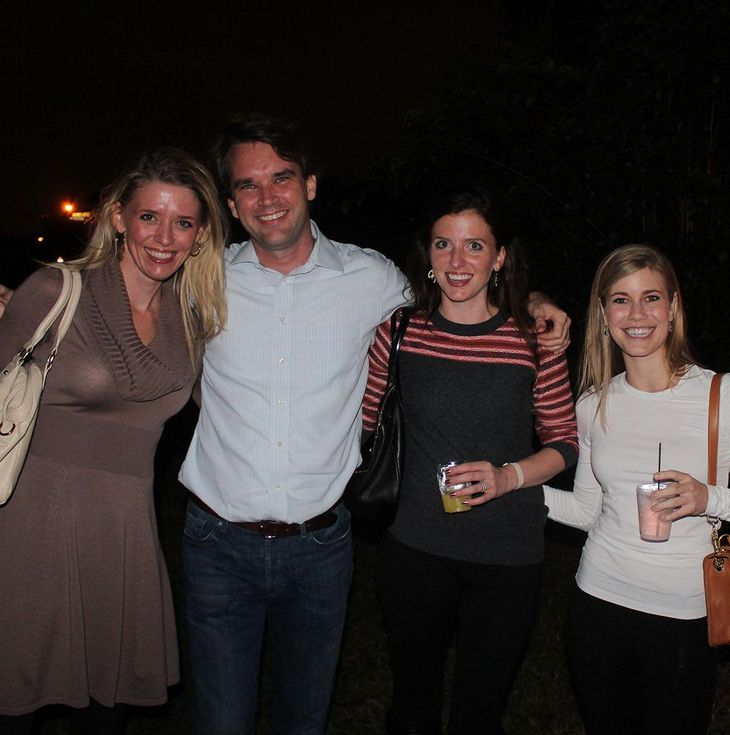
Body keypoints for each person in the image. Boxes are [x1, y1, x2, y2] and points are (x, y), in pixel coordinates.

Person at [178, 115, 572, 735]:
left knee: (306, 718)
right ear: (230, 203)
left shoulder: (373, 281)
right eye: (248, 186)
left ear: (310, 185)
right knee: (221, 720)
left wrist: (536, 303)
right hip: (217, 541)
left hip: (321, 545)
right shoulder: (202, 279)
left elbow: (466, 295)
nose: (267, 197)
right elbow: (128, 305)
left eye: (281, 178)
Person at [0, 148, 227, 733]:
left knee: (110, 707)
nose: (164, 236)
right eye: (149, 216)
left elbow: (228, 407)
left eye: (183, 222)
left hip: (123, 530)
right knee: (15, 699)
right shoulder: (54, 291)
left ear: (199, 235)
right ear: (119, 217)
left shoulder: (192, 317)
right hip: (29, 528)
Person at [544, 244, 730, 735]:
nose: (637, 314)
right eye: (620, 299)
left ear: (673, 309)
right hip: (597, 602)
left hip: (683, 614)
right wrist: (517, 487)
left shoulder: (724, 394)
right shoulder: (594, 403)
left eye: (651, 298)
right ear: (603, 313)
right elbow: (590, 511)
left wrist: (708, 498)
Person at [363, 188, 578, 735]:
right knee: (413, 707)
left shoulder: (533, 341)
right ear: (428, 255)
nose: (458, 262)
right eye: (444, 245)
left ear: (499, 257)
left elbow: (565, 442)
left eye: (475, 246)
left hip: (506, 555)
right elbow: (365, 424)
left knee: (479, 715)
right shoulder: (400, 332)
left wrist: (510, 476)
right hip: (414, 549)